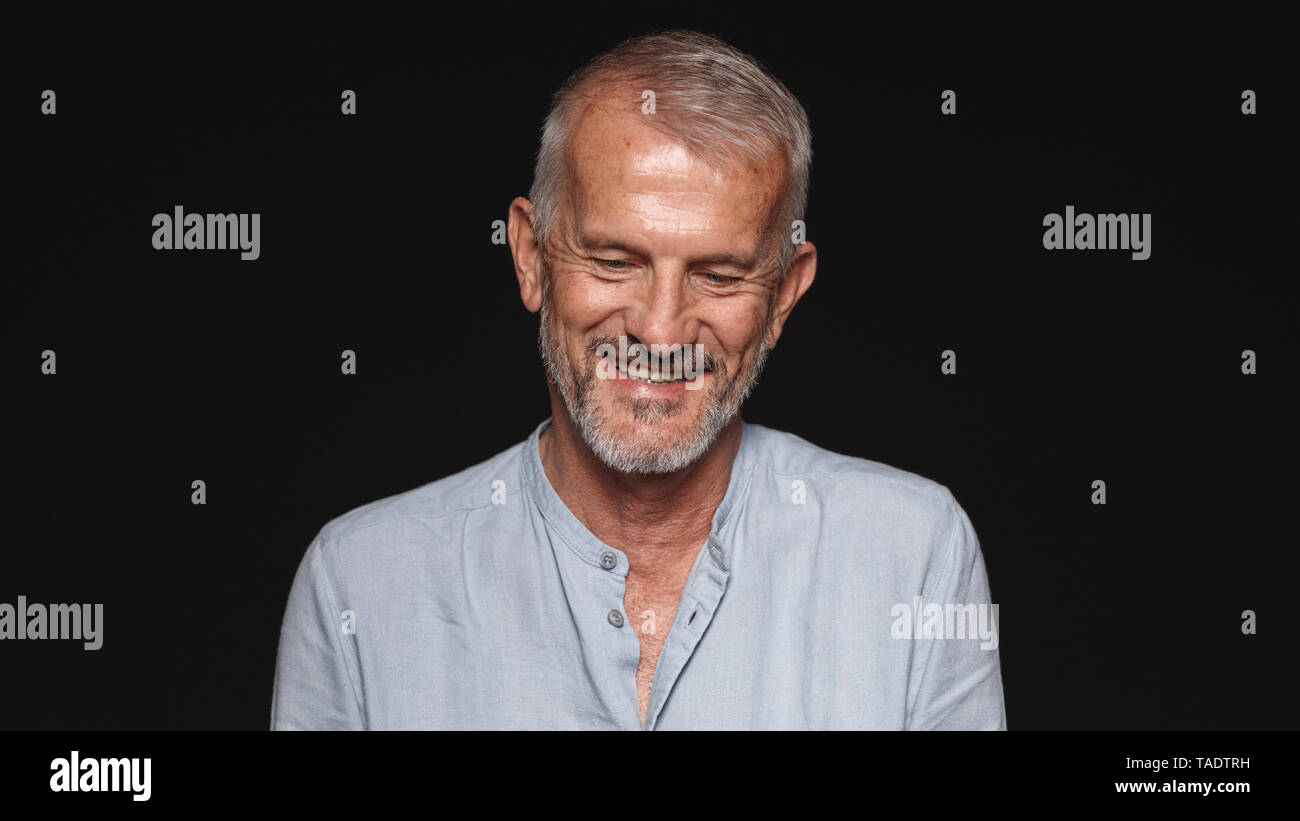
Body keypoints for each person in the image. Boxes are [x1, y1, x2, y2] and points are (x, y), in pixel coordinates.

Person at [271, 29, 1006, 730]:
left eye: (718, 275)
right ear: (530, 256)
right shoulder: (360, 582)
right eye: (615, 261)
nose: (660, 331)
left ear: (784, 295)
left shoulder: (913, 555)